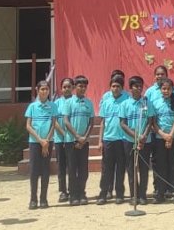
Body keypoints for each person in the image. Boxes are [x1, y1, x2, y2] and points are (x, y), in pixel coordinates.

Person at [120, 76, 156, 206]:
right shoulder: (125, 104)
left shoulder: (146, 103)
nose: (139, 88)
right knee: (132, 169)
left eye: (141, 86)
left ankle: (142, 195)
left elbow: (150, 121)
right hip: (130, 141)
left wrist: (144, 136)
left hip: (145, 141)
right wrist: (136, 136)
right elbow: (123, 123)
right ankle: (133, 195)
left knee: (144, 169)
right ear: (130, 88)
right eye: (136, 86)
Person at [97, 73, 130, 205]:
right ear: (110, 87)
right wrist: (100, 141)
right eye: (113, 86)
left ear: (122, 88)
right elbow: (103, 123)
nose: (115, 89)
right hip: (108, 139)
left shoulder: (126, 101)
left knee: (120, 168)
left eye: (118, 86)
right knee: (106, 169)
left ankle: (119, 194)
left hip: (122, 140)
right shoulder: (106, 102)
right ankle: (103, 194)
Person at [62, 75, 94, 206]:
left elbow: (91, 122)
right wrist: (77, 137)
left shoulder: (89, 103)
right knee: (72, 168)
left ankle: (82, 193)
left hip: (84, 142)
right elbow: (66, 121)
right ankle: (73, 195)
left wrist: (84, 138)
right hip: (71, 141)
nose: (82, 88)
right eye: (80, 86)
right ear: (75, 87)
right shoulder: (69, 102)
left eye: (84, 86)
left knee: (83, 170)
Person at [25, 81, 56, 210]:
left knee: (45, 170)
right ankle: (33, 199)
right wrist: (40, 141)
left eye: (46, 89)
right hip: (35, 143)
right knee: (34, 171)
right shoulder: (32, 106)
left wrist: (46, 141)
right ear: (37, 90)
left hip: (48, 142)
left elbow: (53, 124)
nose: (44, 91)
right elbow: (28, 126)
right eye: (42, 89)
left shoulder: (53, 106)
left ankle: (43, 199)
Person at [150, 78, 174, 203]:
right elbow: (154, 123)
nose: (166, 91)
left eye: (168, 89)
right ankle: (160, 192)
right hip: (160, 139)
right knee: (161, 166)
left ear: (173, 90)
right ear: (160, 90)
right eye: (163, 88)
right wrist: (164, 135)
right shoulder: (155, 103)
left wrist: (170, 136)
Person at [54, 78, 75, 204]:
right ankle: (63, 191)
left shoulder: (75, 102)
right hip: (60, 140)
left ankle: (72, 190)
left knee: (72, 165)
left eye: (69, 86)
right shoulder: (56, 103)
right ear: (61, 89)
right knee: (61, 166)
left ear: (73, 88)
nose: (66, 89)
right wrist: (64, 134)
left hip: (72, 140)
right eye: (64, 87)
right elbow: (55, 121)